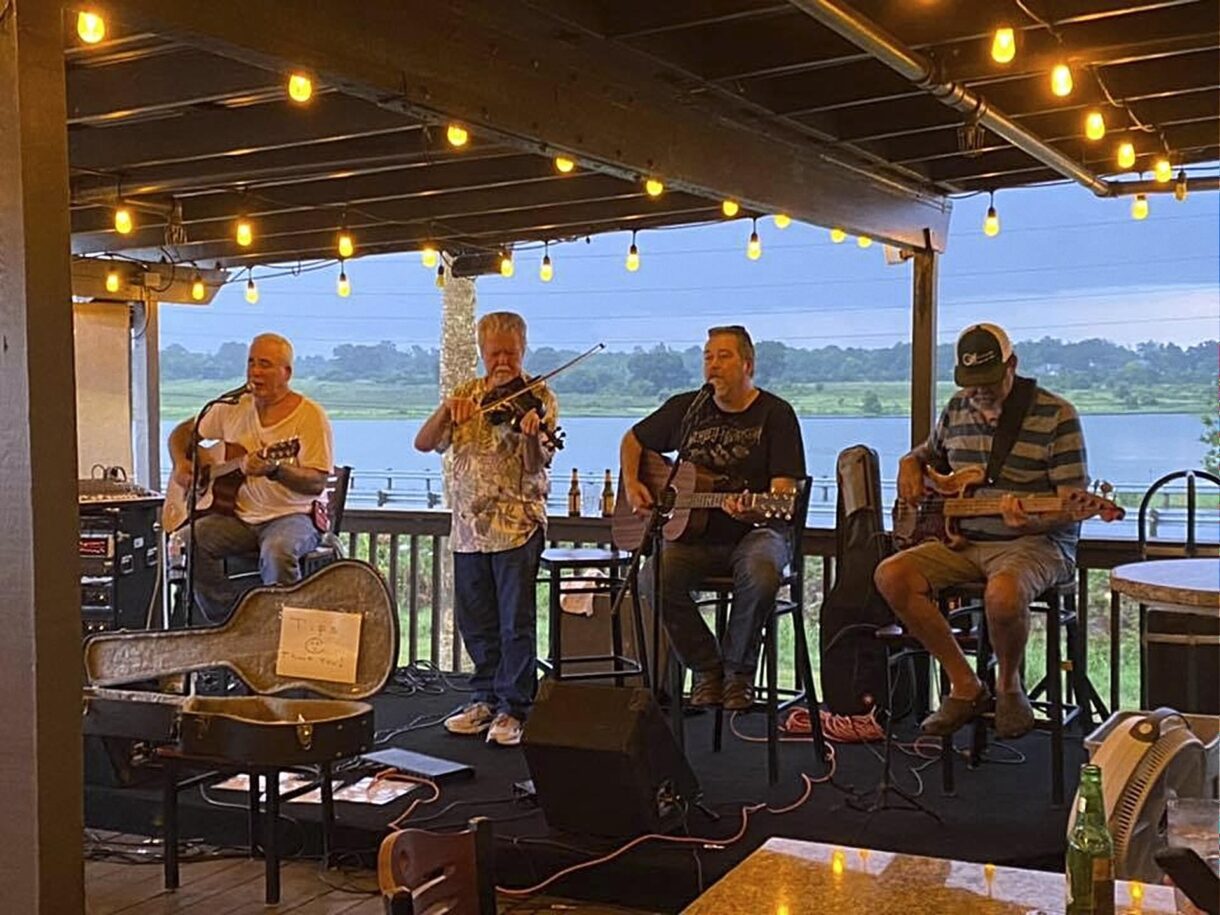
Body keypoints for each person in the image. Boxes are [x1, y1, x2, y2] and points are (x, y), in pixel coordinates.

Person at [874, 323, 1089, 739]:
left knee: (1003, 592)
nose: (979, 393)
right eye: (971, 384)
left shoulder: (1056, 415)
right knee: (891, 574)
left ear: (1013, 365)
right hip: (965, 539)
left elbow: (1071, 505)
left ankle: (1009, 686)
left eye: (988, 382)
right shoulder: (956, 409)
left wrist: (1033, 520)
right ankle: (965, 683)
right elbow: (928, 453)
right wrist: (909, 463)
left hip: (1036, 542)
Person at [619, 325, 805, 710]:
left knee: (761, 570)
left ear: (748, 364)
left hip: (758, 529)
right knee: (652, 576)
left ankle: (738, 674)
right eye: (708, 357)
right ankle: (707, 668)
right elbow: (633, 440)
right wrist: (633, 482)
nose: (713, 365)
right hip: (696, 538)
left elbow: (784, 495)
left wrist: (755, 506)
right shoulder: (688, 409)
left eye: (724, 356)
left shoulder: (776, 414)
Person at [415, 312, 558, 747]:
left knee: (515, 621)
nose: (502, 361)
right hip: (468, 528)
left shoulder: (539, 396)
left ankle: (514, 707)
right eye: (494, 352)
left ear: (523, 349)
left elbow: (538, 463)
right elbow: (423, 443)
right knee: (476, 620)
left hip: (516, 524)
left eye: (510, 353)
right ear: (481, 351)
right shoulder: (466, 395)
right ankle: (484, 699)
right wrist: (446, 411)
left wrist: (531, 434)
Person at [168, 333, 334, 623]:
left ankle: (280, 632)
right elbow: (182, 433)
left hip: (293, 516)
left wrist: (276, 470)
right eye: (251, 363)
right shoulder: (232, 408)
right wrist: (182, 463)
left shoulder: (309, 416)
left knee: (278, 550)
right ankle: (230, 622)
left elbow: (317, 483)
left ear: (287, 373)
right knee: (184, 540)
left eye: (265, 364)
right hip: (239, 518)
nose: (255, 371)